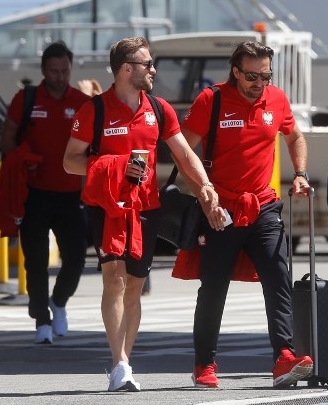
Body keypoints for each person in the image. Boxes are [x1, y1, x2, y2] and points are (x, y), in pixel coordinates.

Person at [63, 36, 221, 392]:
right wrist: (114, 167)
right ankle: (119, 364)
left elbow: (183, 154)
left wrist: (205, 186)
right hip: (108, 208)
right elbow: (70, 161)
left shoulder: (159, 108)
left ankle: (125, 359)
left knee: (134, 284)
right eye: (147, 64)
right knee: (114, 280)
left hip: (146, 208)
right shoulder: (95, 110)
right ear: (125, 69)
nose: (153, 69)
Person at [179, 40, 314, 389]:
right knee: (213, 287)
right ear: (235, 71)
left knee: (278, 276)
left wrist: (300, 174)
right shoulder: (213, 100)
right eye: (252, 76)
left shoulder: (277, 99)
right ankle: (204, 363)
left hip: (264, 206)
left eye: (266, 76)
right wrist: (204, 196)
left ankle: (284, 356)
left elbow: (295, 136)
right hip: (220, 209)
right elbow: (183, 152)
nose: (259, 83)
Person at [0, 41, 91, 344]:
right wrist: (19, 161)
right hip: (34, 194)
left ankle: (59, 301)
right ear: (43, 70)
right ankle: (41, 319)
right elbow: (9, 134)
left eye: (65, 70)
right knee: (35, 261)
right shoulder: (26, 99)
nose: (60, 76)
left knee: (76, 259)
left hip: (70, 195)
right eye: (54, 70)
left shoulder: (81, 101)